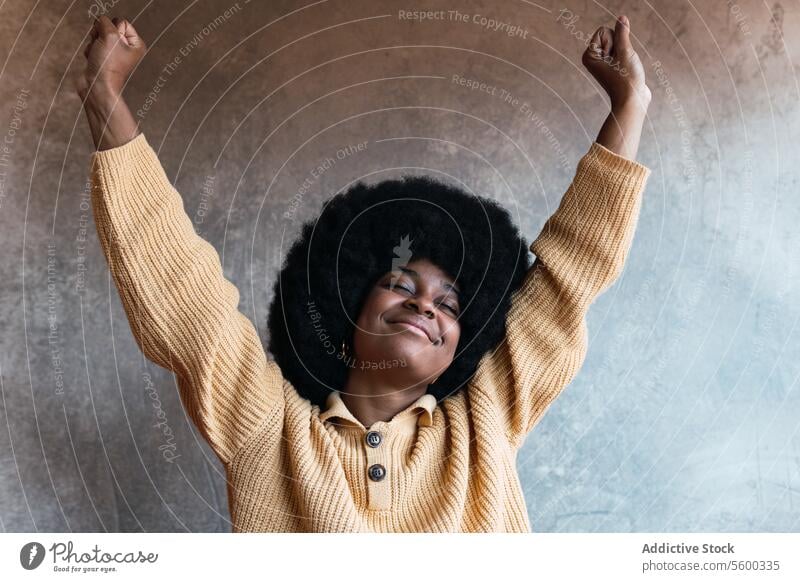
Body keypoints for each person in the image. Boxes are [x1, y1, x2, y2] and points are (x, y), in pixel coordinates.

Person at [76, 14, 652, 532]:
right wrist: (105, 97)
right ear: (348, 306)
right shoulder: (267, 427)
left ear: (464, 342)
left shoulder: (487, 418)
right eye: (400, 284)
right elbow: (184, 298)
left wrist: (629, 107)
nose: (426, 305)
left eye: (449, 306)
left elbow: (566, 279)